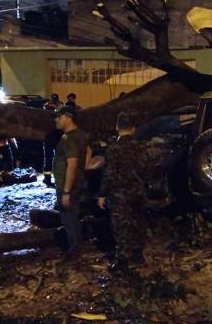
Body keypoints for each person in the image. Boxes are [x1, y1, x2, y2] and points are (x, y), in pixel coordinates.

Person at [98, 113, 149, 272]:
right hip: (138, 192)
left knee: (121, 226)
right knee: (137, 223)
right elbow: (146, 170)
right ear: (133, 129)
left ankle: (123, 260)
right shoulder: (141, 147)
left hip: (120, 194)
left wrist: (102, 194)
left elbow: (110, 174)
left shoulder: (114, 149)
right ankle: (137, 255)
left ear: (117, 127)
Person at [53, 105, 88, 258]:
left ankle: (74, 250)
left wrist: (66, 191)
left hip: (67, 185)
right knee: (72, 215)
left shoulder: (69, 138)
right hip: (76, 182)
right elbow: (89, 151)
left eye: (59, 117)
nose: (56, 120)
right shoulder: (80, 134)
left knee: (69, 217)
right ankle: (76, 246)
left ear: (68, 118)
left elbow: (71, 166)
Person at [42, 94, 63, 187]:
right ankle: (48, 179)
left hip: (53, 138)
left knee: (52, 159)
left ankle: (50, 179)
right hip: (52, 138)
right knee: (51, 159)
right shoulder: (52, 109)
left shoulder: (59, 108)